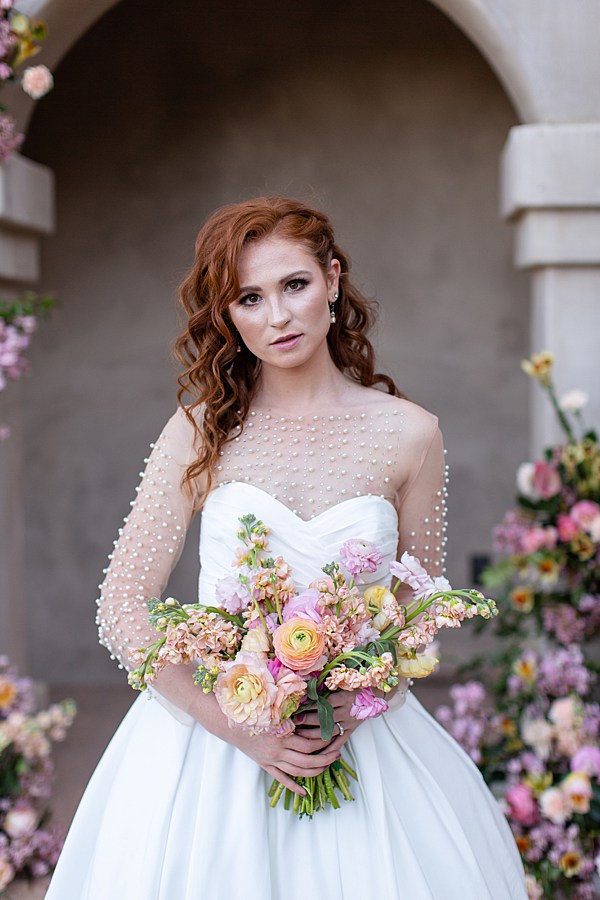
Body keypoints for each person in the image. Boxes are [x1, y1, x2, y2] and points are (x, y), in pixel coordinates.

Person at [46, 197, 527, 899]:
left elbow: (419, 603)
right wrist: (238, 728)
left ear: (332, 280)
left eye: (294, 285)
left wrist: (349, 698)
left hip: (363, 746)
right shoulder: (199, 430)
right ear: (229, 314)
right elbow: (123, 604)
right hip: (209, 749)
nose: (277, 316)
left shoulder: (411, 433)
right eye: (249, 297)